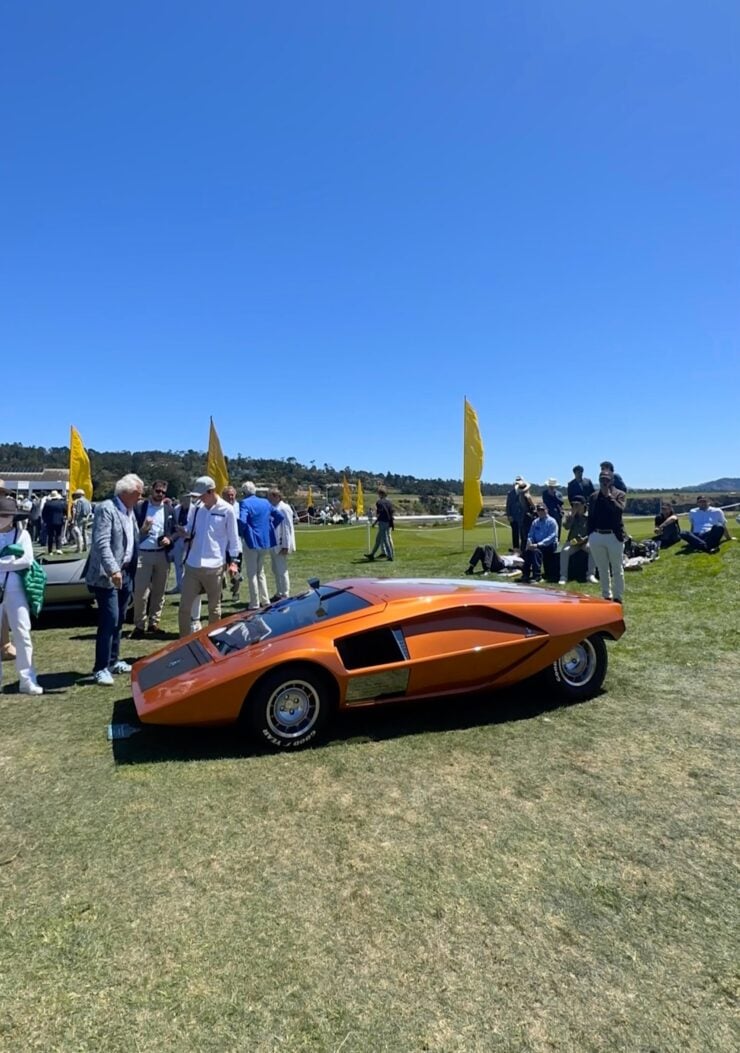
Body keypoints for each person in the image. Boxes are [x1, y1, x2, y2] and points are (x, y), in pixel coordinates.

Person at [85, 473, 143, 686]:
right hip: (108, 576)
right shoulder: (106, 509)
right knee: (109, 619)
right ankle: (100, 668)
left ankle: (113, 660)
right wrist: (113, 570)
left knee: (119, 620)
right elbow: (101, 543)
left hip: (126, 572)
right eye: (139, 493)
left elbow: (129, 541)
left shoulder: (129, 511)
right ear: (127, 492)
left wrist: (143, 532)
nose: (141, 498)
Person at [178, 476, 240, 636]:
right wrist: (183, 532)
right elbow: (189, 529)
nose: (199, 499)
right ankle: (183, 642)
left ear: (211, 491)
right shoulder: (197, 508)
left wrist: (234, 562)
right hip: (192, 564)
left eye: (202, 495)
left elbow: (234, 539)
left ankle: (213, 640)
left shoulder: (227, 509)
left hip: (215, 566)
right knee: (184, 607)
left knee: (214, 609)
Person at [0, 496, 43, 695]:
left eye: (7, 515)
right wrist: (11, 561)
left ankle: (27, 679)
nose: (3, 518)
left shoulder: (22, 534)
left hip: (16, 589)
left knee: (22, 633)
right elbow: (20, 560)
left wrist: (3, 564)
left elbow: (27, 560)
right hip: (7, 586)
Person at [131, 480, 176, 638]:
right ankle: (139, 625)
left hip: (161, 554)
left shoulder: (169, 509)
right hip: (143, 553)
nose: (160, 494)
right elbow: (131, 530)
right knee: (140, 592)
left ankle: (154, 623)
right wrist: (142, 530)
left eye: (163, 492)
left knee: (159, 591)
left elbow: (175, 530)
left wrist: (169, 539)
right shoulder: (140, 508)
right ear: (152, 491)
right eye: (158, 491)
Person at [238, 482, 284, 610]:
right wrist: (269, 528)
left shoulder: (245, 503)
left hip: (251, 541)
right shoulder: (265, 502)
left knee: (252, 572)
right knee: (261, 571)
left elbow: (242, 520)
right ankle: (265, 599)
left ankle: (254, 602)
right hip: (265, 541)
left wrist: (241, 532)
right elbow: (279, 516)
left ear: (244, 492)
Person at [587, 470, 626, 603]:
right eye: (601, 480)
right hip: (597, 535)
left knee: (617, 568)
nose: (604, 482)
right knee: (602, 569)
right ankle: (606, 595)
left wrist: (609, 497)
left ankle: (618, 597)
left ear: (612, 481)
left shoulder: (619, 494)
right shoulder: (593, 496)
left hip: (613, 536)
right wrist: (590, 534)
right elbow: (591, 517)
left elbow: (618, 511)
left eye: (606, 480)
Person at [558, 495, 594, 584]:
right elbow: (566, 527)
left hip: (585, 541)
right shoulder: (570, 515)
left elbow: (593, 531)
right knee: (565, 551)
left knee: (593, 550)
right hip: (572, 542)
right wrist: (572, 516)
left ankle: (590, 575)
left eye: (577, 504)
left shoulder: (590, 516)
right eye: (573, 504)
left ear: (583, 505)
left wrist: (584, 539)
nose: (575, 506)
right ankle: (563, 576)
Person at [267, 488, 296, 600]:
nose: (268, 499)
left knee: (281, 569)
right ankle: (279, 592)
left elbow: (288, 527)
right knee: (275, 569)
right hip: (274, 543)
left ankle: (285, 593)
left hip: (281, 543)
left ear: (276, 496)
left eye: (270, 496)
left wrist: (286, 545)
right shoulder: (274, 507)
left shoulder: (284, 508)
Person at [521, 503, 558, 583]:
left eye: (542, 510)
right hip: (536, 544)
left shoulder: (552, 522)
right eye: (539, 510)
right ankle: (525, 574)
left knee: (535, 552)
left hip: (549, 545)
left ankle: (537, 576)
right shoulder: (535, 522)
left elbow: (551, 537)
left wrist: (538, 545)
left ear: (547, 510)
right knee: (527, 551)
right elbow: (530, 534)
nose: (540, 512)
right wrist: (529, 542)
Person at [221, 486, 243, 600]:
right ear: (223, 496)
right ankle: (219, 593)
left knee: (236, 571)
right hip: (222, 545)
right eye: (228, 495)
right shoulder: (219, 507)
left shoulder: (240, 507)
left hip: (236, 545)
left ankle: (236, 592)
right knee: (220, 570)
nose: (231, 497)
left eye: (232, 494)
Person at [365, 487, 395, 561]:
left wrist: (375, 522)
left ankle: (390, 556)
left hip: (382, 522)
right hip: (388, 522)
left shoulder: (379, 502)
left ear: (381, 494)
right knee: (378, 539)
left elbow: (379, 514)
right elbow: (391, 513)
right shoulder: (389, 502)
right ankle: (372, 554)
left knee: (385, 539)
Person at [42, 490, 67, 554]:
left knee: (50, 536)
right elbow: (65, 512)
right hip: (59, 521)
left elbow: (44, 513)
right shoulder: (62, 503)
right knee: (58, 535)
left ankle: (50, 550)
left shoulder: (47, 503)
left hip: (49, 521)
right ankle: (58, 548)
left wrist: (45, 521)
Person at [70, 488, 92, 553]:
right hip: (86, 518)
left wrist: (74, 520)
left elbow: (77, 511)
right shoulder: (87, 501)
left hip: (79, 518)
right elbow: (90, 510)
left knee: (78, 534)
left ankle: (79, 548)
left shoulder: (78, 501)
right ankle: (85, 547)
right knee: (84, 533)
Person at [505, 477, 524, 551]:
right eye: (516, 482)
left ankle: (523, 549)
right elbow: (508, 505)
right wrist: (509, 515)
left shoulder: (524, 491)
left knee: (523, 535)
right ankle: (516, 549)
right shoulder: (510, 493)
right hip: (514, 517)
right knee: (515, 534)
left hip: (523, 517)